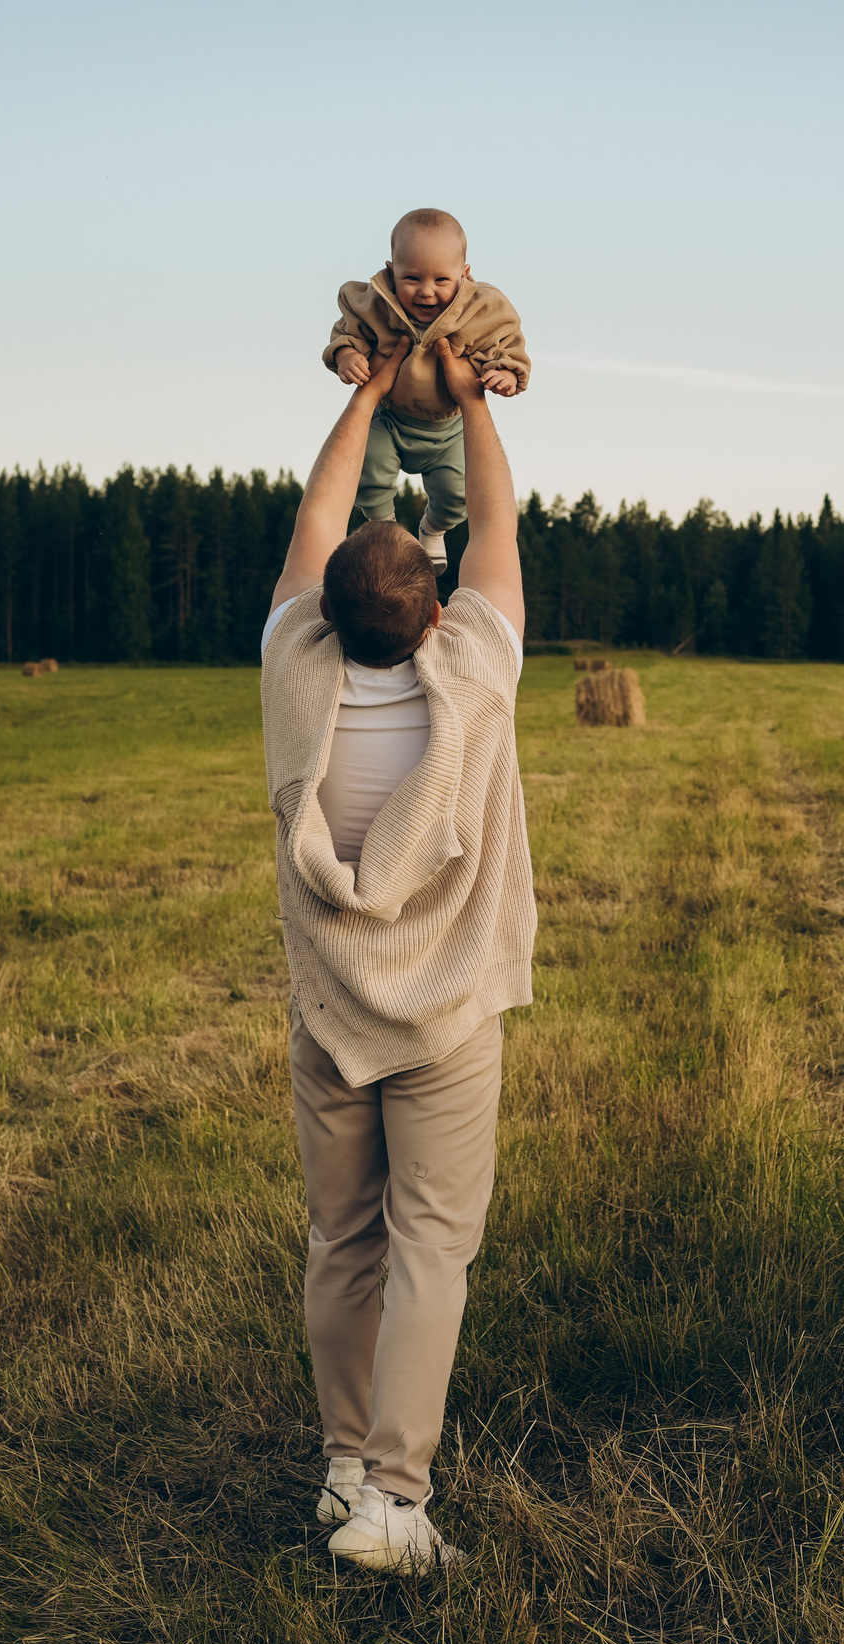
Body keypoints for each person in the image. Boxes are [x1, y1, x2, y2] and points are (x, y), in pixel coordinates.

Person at [261, 332, 532, 1573]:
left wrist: (367, 393)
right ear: (432, 610)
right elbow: (496, 529)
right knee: (432, 1245)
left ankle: (337, 1465)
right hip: (444, 1021)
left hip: (333, 1019)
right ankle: (396, 1502)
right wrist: (471, 405)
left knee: (342, 1241)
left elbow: (319, 514)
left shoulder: (292, 669)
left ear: (325, 610)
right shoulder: (475, 672)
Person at [323, 208, 530, 570]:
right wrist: (345, 355)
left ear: (464, 276)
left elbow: (504, 343)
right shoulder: (374, 304)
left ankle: (432, 530)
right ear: (391, 272)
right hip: (389, 418)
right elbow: (348, 330)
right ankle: (385, 528)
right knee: (366, 470)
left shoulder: (479, 311)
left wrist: (506, 374)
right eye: (412, 278)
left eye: (441, 280)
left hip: (448, 429)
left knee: (457, 495)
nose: (426, 291)